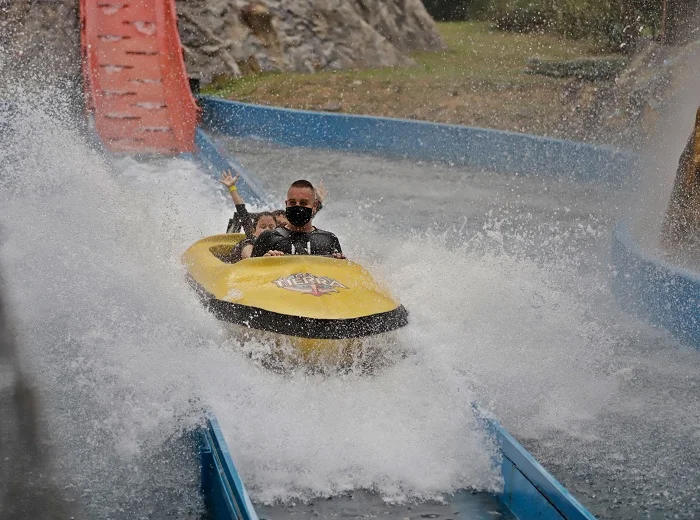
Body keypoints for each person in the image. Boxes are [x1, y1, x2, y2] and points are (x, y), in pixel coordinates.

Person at [251, 180, 344, 258]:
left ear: (314, 205)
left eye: (303, 203)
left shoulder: (329, 239)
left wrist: (340, 262)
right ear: (286, 204)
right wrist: (264, 261)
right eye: (292, 203)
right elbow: (249, 273)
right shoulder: (268, 237)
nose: (298, 208)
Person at [219, 171, 277, 262]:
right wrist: (232, 187)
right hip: (227, 265)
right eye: (263, 226)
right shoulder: (250, 241)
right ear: (254, 230)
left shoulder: (278, 242)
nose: (267, 229)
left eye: (271, 227)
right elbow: (242, 211)